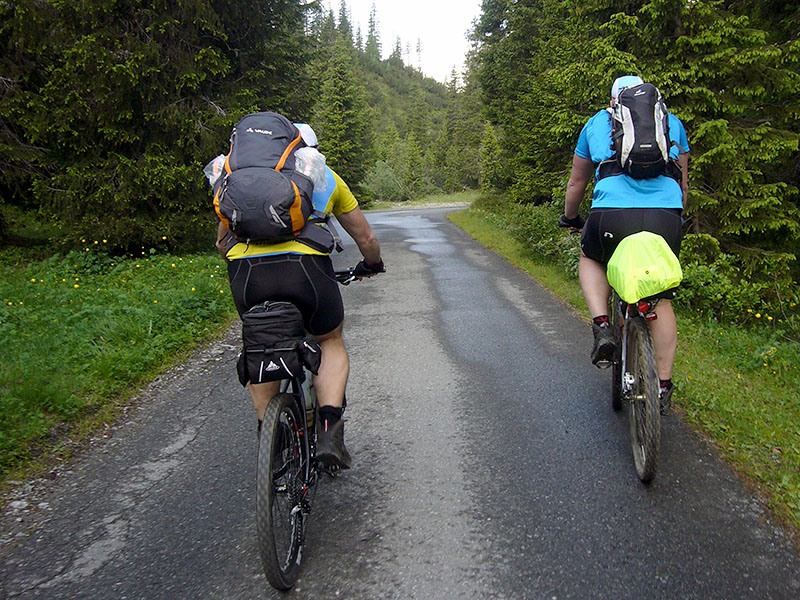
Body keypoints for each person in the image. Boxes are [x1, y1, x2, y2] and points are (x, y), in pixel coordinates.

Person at [215, 122, 384, 468]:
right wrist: (372, 264)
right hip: (306, 272)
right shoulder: (324, 177)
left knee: (262, 342)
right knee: (329, 339)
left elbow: (222, 242)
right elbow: (364, 237)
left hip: (247, 276)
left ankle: (270, 431)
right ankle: (328, 431)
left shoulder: (240, 182)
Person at [562, 75, 689, 410]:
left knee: (592, 257)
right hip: (665, 216)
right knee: (658, 296)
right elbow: (682, 184)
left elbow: (577, 182)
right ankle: (662, 385)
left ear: (614, 101)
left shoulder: (597, 123)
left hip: (612, 216)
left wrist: (571, 218)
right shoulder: (671, 123)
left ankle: (603, 326)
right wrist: (674, 218)